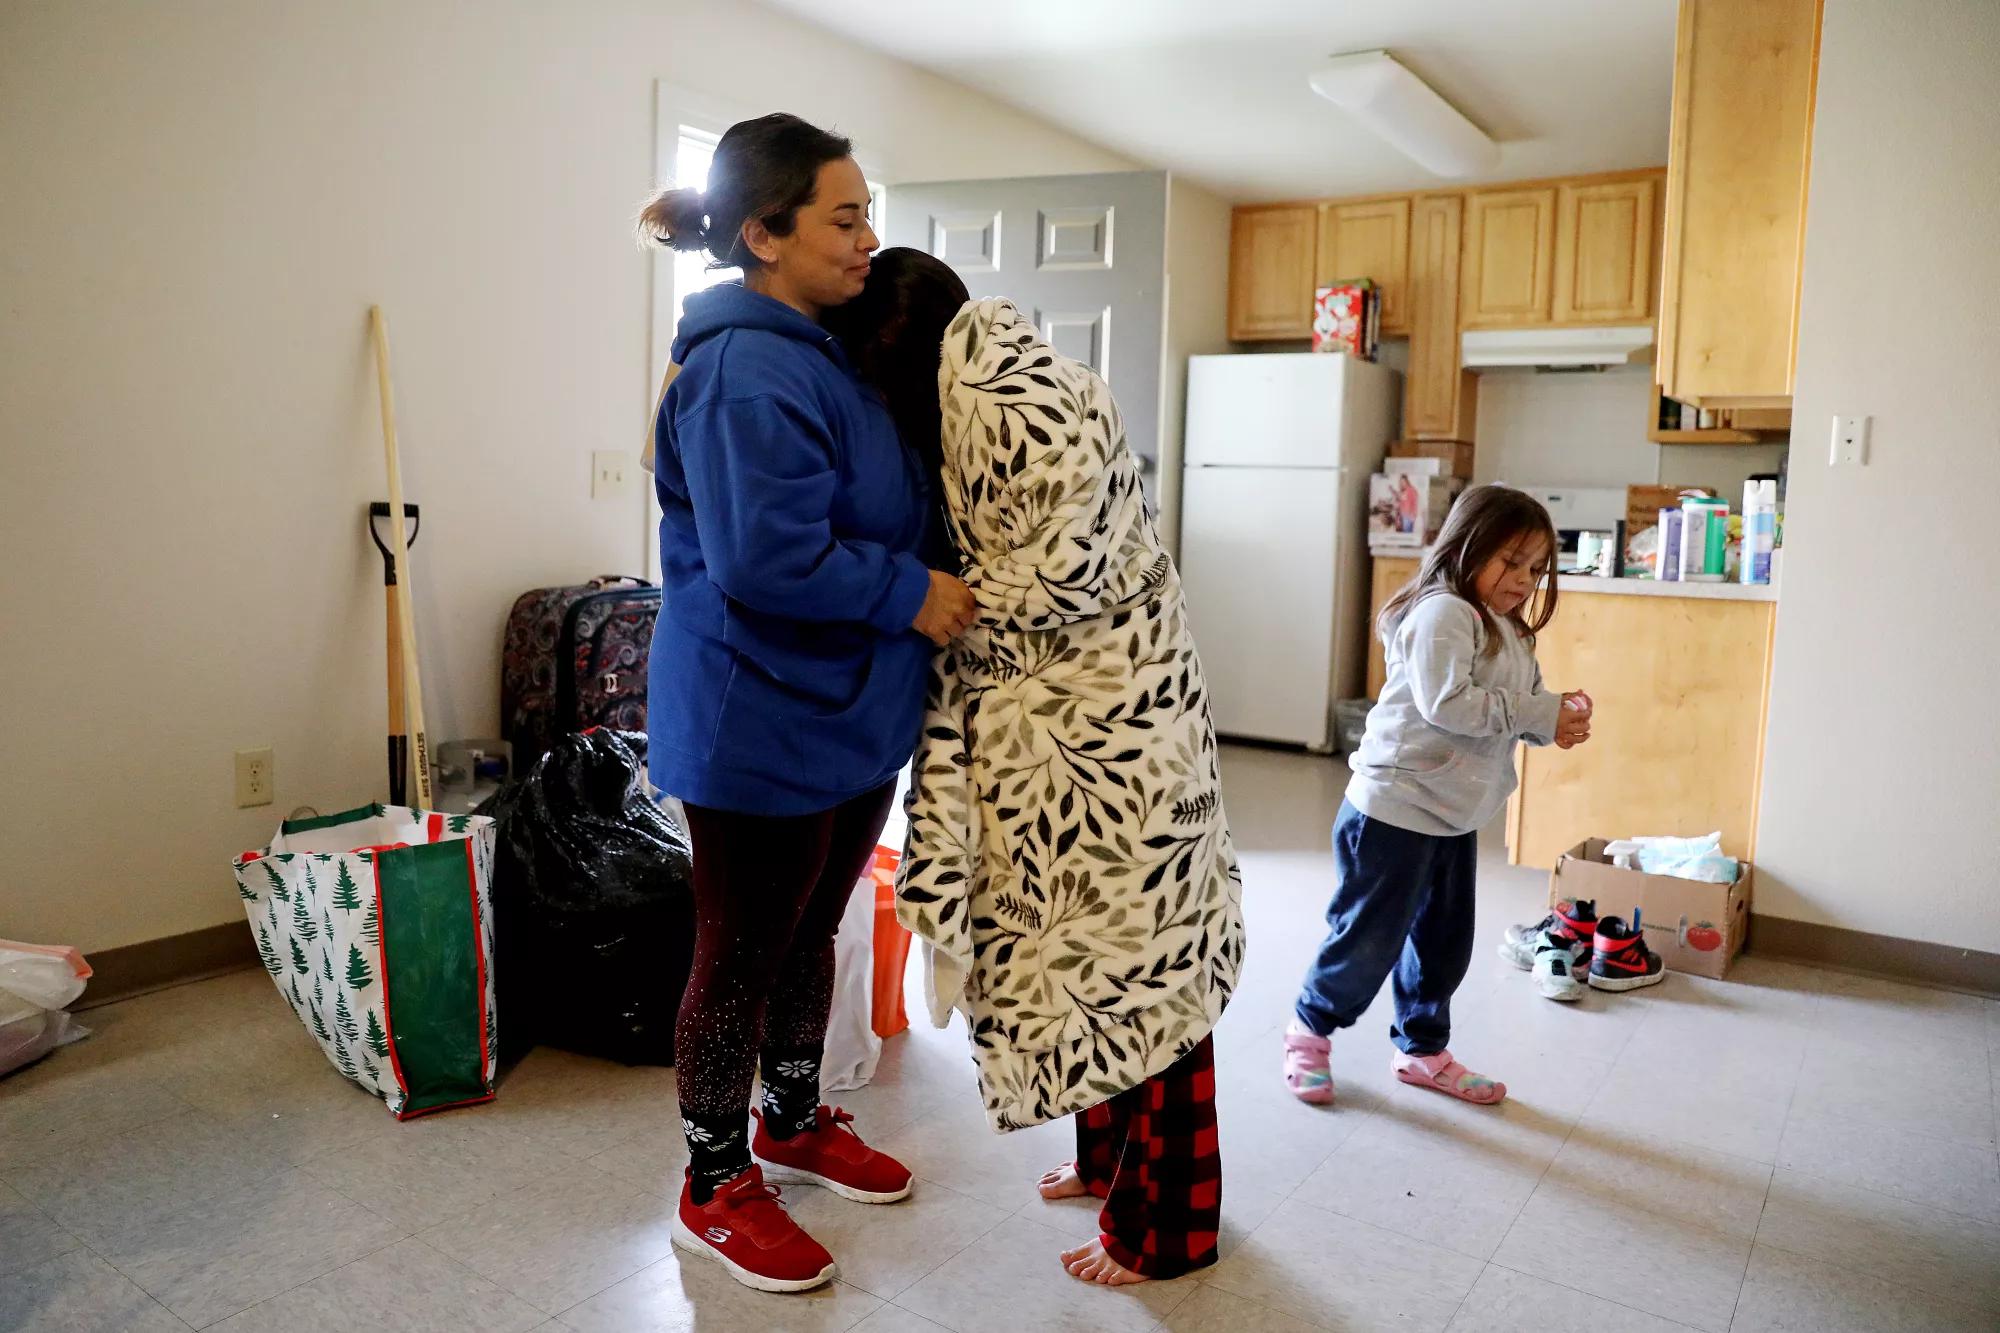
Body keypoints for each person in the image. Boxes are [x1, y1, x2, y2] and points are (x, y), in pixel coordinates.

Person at [830, 248, 1245, 1288]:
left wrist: (938, 595)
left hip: (1112, 734)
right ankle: (1108, 1163)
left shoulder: (1014, 400)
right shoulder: (1009, 377)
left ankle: (1169, 1230)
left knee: (1144, 977)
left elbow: (1066, 561)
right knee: (1089, 961)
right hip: (1098, 728)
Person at [636, 116, 977, 1294]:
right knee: (739, 951)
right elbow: (764, 558)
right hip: (756, 719)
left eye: (865, 212)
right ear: (763, 235)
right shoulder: (743, 366)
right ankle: (711, 1180)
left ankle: (790, 1118)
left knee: (810, 931)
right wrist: (914, 591)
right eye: (844, 217)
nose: (867, 239)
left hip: (843, 711)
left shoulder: (823, 349)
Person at [1282, 484, 1592, 1107]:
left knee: (1443, 945)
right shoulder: (1443, 612)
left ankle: (1422, 1050)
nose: (1524, 580)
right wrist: (1537, 709)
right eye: (1510, 562)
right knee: (1368, 939)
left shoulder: (1513, 631)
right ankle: (1309, 1032)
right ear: (1467, 546)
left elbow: (1517, 707)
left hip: (1454, 814)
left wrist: (1552, 720)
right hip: (1394, 808)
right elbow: (1448, 705)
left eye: (1536, 568)